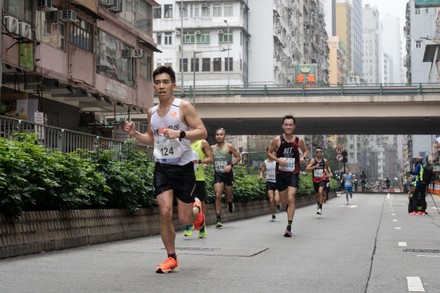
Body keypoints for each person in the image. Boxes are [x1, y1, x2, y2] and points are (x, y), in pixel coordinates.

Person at [124, 66, 207, 273]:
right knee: (165, 211)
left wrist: (180, 135)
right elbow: (151, 140)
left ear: (173, 85)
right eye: (158, 82)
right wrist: (135, 134)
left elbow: (202, 131)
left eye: (165, 82)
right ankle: (171, 257)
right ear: (154, 86)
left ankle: (197, 211)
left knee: (185, 219)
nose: (161, 86)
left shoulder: (183, 107)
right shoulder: (151, 112)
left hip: (184, 167)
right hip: (162, 168)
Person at [267, 115, 308, 237]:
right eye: (286, 125)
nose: (288, 127)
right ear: (283, 126)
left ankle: (289, 226)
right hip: (280, 173)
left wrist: (303, 157)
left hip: (293, 172)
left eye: (291, 125)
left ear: (294, 126)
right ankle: (288, 209)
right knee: (285, 202)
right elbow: (269, 153)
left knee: (291, 198)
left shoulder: (298, 140)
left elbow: (305, 150)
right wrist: (278, 160)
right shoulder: (277, 140)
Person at [183, 138, 214, 238]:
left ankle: (201, 225)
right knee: (187, 202)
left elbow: (210, 159)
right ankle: (189, 224)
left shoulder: (202, 143)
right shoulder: (182, 142)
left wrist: (199, 161)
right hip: (185, 177)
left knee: (201, 202)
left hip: (198, 177)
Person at [211, 128, 241, 228]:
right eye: (217, 134)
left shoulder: (229, 146)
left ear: (224, 136)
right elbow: (208, 158)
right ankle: (218, 218)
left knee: (228, 195)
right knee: (218, 195)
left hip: (228, 173)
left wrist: (230, 166)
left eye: (221, 134)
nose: (219, 136)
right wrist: (205, 164)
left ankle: (230, 202)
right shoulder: (212, 148)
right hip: (218, 173)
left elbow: (238, 157)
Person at [306, 146, 332, 215]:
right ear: (315, 153)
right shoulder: (313, 161)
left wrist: (330, 172)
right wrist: (315, 166)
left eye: (320, 152)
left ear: (322, 153)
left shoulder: (325, 161)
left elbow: (327, 167)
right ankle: (318, 204)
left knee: (321, 192)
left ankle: (320, 208)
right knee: (317, 194)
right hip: (315, 179)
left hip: (322, 178)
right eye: (317, 152)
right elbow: (307, 169)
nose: (319, 153)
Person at [259, 148, 281, 222]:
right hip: (269, 182)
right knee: (271, 199)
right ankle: (273, 215)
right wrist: (261, 175)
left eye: (272, 152)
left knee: (276, 199)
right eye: (269, 152)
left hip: (277, 182)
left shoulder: (277, 161)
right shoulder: (265, 162)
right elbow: (262, 171)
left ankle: (278, 204)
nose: (271, 154)